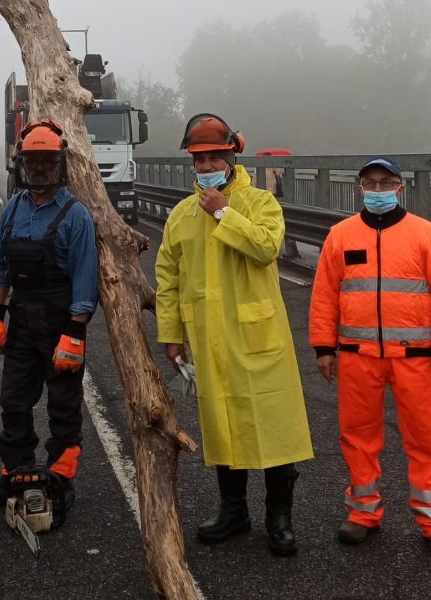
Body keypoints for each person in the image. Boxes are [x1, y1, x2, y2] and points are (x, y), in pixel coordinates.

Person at [154, 114, 314, 557]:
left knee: (274, 427)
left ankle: (279, 517)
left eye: (214, 156)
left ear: (231, 155)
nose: (206, 164)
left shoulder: (260, 202)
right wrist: (172, 333)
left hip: (257, 339)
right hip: (208, 341)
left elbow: (265, 248)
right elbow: (168, 277)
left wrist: (223, 212)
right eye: (199, 158)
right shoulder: (182, 215)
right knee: (222, 427)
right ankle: (233, 510)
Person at [308, 156, 431, 561]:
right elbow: (325, 294)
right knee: (357, 437)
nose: (378, 190)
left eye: (386, 182)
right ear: (360, 188)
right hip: (358, 356)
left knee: (428, 439)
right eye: (370, 182)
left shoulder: (425, 235)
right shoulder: (341, 235)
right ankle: (363, 513)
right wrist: (324, 348)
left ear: (401, 187)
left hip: (417, 358)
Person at [0, 119, 98, 530]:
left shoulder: (75, 215)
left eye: (48, 161)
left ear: (60, 164)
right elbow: (0, 265)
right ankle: (15, 474)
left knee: (63, 403)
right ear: (22, 165)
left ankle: (62, 476)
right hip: (22, 315)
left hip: (60, 316)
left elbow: (85, 278)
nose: (40, 169)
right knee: (13, 401)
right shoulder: (13, 209)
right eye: (33, 161)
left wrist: (76, 332)